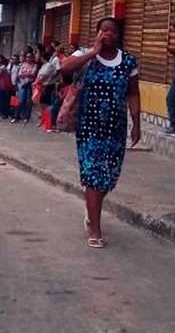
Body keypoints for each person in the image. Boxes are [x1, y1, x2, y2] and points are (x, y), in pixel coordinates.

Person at [59, 17, 141, 249]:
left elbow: (133, 93)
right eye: (103, 30)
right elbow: (64, 68)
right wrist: (92, 52)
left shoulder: (128, 61)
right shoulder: (85, 55)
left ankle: (90, 207)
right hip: (90, 127)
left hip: (115, 128)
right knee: (94, 175)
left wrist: (137, 122)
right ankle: (95, 228)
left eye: (112, 31)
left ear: (119, 35)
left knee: (110, 176)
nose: (107, 34)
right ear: (96, 34)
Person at [14, 51, 38, 124]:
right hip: (21, 85)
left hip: (30, 85)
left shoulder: (34, 65)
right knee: (20, 101)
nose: (28, 58)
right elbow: (19, 74)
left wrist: (25, 74)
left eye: (30, 57)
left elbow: (33, 74)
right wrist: (26, 74)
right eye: (27, 57)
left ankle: (26, 117)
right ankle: (16, 116)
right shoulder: (22, 65)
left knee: (28, 101)